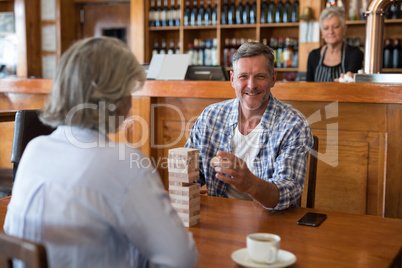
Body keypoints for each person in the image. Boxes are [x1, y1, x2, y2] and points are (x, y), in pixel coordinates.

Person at [4, 37, 198, 268]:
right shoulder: (123, 161)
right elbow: (182, 259)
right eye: (128, 91)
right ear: (115, 96)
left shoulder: (34, 149)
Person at [185, 42, 313, 210]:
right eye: (243, 76)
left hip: (273, 226)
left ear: (273, 78)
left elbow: (287, 192)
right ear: (232, 79)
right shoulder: (210, 116)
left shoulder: (294, 125)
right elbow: (191, 172)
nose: (251, 85)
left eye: (260, 76)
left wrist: (251, 184)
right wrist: (187, 187)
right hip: (220, 219)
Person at [306, 6, 364, 82]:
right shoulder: (313, 55)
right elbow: (309, 86)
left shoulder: (355, 54)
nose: (330, 32)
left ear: (344, 28)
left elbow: (351, 82)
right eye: (326, 28)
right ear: (321, 31)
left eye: (335, 27)